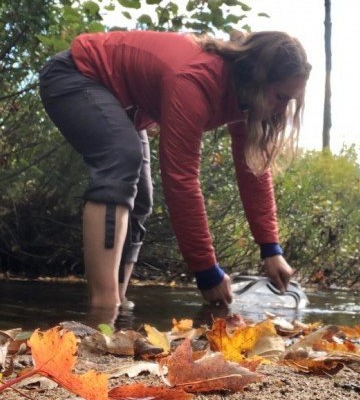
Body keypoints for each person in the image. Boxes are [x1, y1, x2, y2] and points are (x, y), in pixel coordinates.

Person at [38, 29, 310, 315]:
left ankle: (119, 304)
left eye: (290, 100)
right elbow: (181, 180)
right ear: (257, 79)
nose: (282, 110)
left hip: (123, 102)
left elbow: (253, 172)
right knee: (122, 159)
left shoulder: (243, 95)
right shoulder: (195, 78)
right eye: (280, 97)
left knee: (141, 198)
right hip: (75, 75)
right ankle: (103, 307)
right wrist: (206, 271)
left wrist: (271, 249)